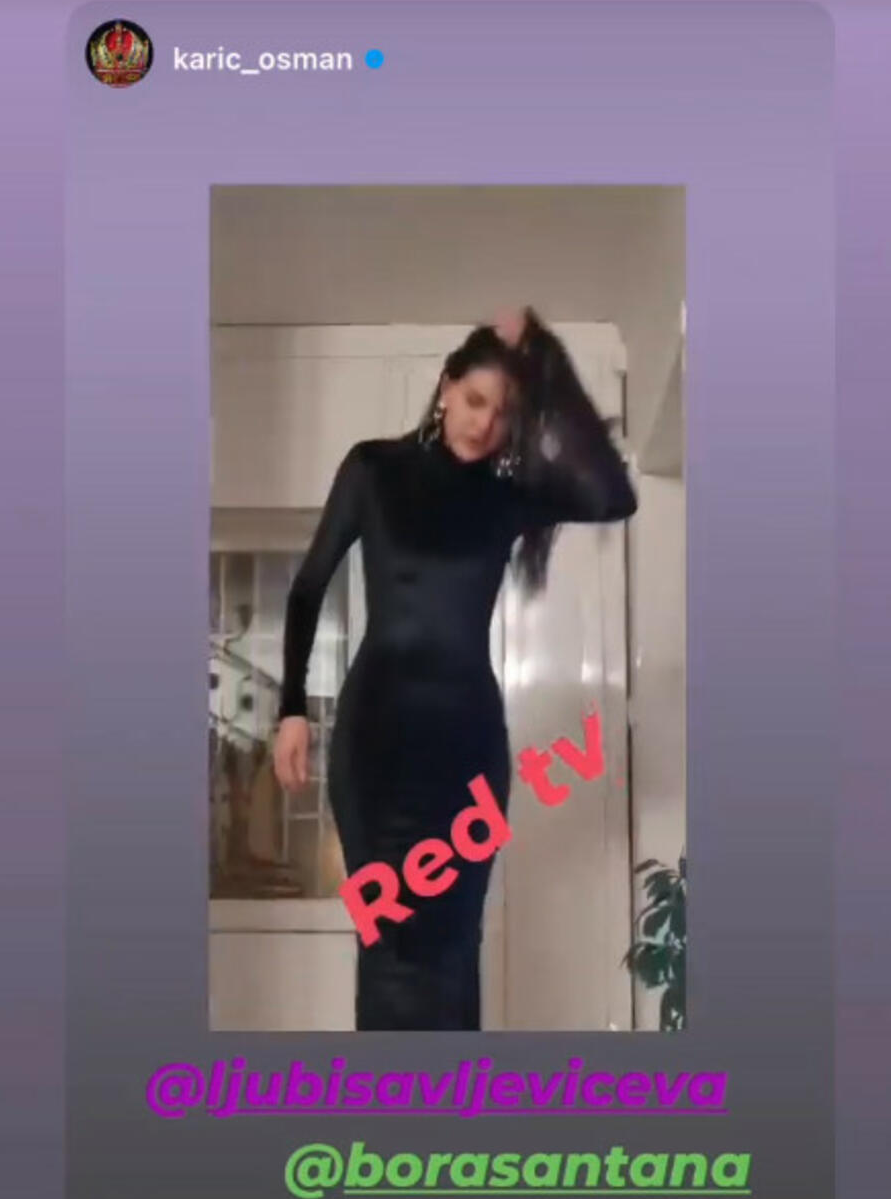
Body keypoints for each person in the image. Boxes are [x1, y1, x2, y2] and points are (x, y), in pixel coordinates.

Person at [273, 307, 637, 1031]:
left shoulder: (505, 497)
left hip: (466, 750)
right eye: (474, 400)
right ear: (445, 388)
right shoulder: (373, 470)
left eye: (502, 414)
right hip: (377, 749)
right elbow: (308, 586)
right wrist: (291, 708)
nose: (483, 423)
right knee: (388, 945)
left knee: (452, 946)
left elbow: (613, 495)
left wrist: (544, 354)